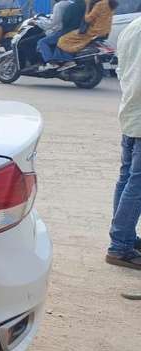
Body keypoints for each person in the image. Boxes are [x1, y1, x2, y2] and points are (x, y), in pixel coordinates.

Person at [106, 16, 141, 269]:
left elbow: (121, 70)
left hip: (131, 111)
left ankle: (124, 237)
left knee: (128, 177)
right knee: (136, 182)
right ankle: (120, 246)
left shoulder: (133, 25)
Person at [36, 0, 72, 66]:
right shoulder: (70, 3)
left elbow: (53, 23)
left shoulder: (59, 6)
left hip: (62, 31)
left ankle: (51, 63)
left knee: (42, 42)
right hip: (72, 30)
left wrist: (37, 22)